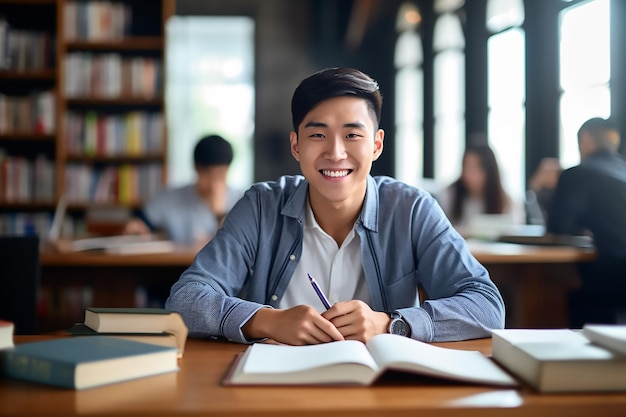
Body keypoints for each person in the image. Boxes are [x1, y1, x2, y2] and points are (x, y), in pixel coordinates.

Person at [165, 67, 505, 345]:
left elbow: (486, 306)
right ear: (296, 145)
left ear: (376, 144)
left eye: (352, 135)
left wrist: (391, 324)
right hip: (273, 387)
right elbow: (186, 300)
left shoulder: (411, 209)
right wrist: (267, 321)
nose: (336, 153)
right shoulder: (260, 206)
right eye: (318, 135)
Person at [546, 117, 626, 327]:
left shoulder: (577, 174)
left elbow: (557, 228)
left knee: (565, 291)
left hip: (613, 277)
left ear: (585, 139)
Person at [124, 134, 243, 247]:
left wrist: (219, 213)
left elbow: (240, 245)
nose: (213, 184)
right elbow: (141, 223)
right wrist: (136, 229)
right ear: (196, 168)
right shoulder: (169, 199)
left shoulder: (243, 200)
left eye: (220, 176)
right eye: (207, 174)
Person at [438, 144, 517, 237]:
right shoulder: (449, 195)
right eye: (466, 167)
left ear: (489, 171)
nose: (469, 174)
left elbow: (512, 230)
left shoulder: (506, 201)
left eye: (475, 168)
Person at [525, 157, 562, 225]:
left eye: (555, 172)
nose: (551, 176)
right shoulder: (532, 197)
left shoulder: (562, 197)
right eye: (548, 172)